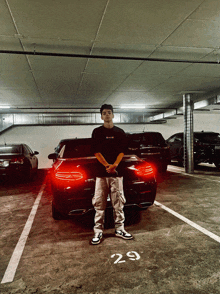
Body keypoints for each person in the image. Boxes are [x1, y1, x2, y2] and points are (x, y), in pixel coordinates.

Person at [91, 104, 133, 245]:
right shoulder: (97, 132)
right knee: (99, 204)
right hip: (101, 174)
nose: (107, 115)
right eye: (104, 113)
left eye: (109, 112)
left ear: (113, 115)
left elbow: (122, 151)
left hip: (116, 174)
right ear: (101, 116)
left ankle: (119, 229)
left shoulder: (120, 132)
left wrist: (114, 165)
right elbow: (96, 152)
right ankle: (98, 231)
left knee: (118, 203)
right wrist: (107, 166)